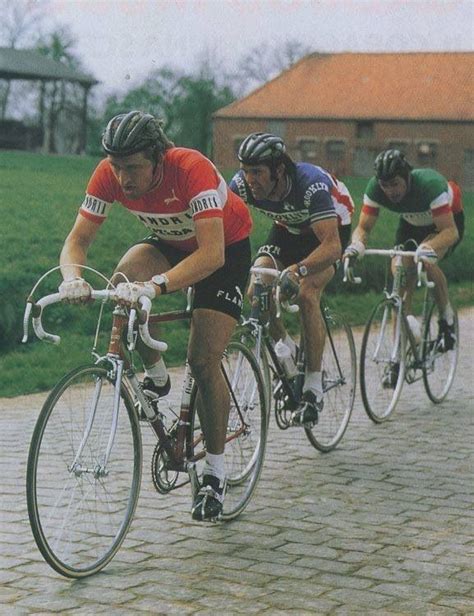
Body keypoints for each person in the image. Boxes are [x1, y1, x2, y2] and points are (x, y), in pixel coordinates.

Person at [58, 110, 252, 521]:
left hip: (223, 249)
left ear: (158, 157)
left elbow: (211, 254)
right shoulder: (108, 174)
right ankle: (159, 377)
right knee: (122, 284)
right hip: (171, 241)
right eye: (116, 166)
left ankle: (215, 473)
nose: (123, 178)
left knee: (202, 360)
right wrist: (71, 279)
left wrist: (158, 286)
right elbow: (78, 239)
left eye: (132, 168)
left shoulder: (190, 168)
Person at [230, 132, 354, 425]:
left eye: (257, 172)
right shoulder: (241, 186)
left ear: (279, 170)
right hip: (288, 229)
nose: (250, 179)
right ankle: (287, 356)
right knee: (258, 288)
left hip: (328, 233)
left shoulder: (310, 185)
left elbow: (332, 246)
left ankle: (313, 384)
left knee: (306, 293)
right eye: (246, 171)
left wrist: (297, 271)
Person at [343, 149, 464, 387]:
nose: (390, 191)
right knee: (400, 274)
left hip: (445, 224)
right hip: (410, 223)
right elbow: (364, 228)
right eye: (385, 185)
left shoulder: (430, 185)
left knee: (425, 261)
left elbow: (450, 232)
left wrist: (427, 248)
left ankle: (447, 321)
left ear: (407, 177)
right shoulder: (375, 189)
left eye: (395, 184)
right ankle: (397, 357)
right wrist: (357, 244)